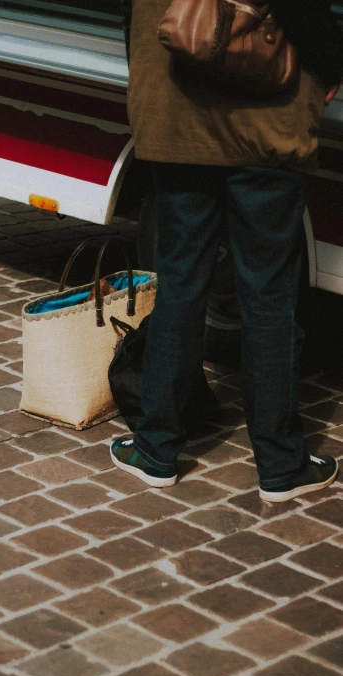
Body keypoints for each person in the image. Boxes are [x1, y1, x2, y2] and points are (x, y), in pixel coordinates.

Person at [111, 0, 343, 502]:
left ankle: (155, 449)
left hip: (177, 111)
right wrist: (332, 62)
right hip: (270, 115)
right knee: (269, 297)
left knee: (180, 285)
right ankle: (281, 463)